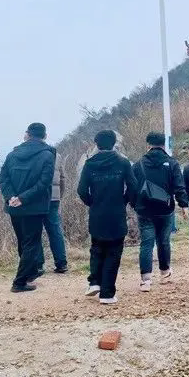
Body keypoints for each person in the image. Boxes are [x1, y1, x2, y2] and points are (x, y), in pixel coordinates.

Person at [77, 129, 136, 304]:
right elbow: (133, 186)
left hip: (97, 212)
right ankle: (107, 294)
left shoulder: (89, 164)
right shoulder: (123, 162)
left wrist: (92, 203)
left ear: (96, 144)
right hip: (116, 212)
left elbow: (81, 190)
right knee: (114, 251)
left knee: (96, 247)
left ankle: (94, 282)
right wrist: (124, 200)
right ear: (114, 143)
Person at [0, 123, 57, 293]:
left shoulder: (12, 154)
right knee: (31, 243)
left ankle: (29, 273)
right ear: (44, 136)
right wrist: (23, 199)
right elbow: (44, 183)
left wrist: (11, 197)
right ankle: (20, 282)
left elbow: (3, 179)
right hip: (34, 206)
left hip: (14, 206)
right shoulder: (47, 155)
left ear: (27, 135)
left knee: (23, 241)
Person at [133, 131, 188, 292]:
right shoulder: (172, 163)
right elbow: (179, 186)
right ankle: (164, 273)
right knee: (163, 241)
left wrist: (135, 204)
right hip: (165, 209)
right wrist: (184, 205)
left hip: (144, 210)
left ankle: (146, 280)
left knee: (146, 243)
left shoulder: (138, 164)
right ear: (164, 145)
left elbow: (132, 187)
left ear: (148, 145)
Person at [36, 161, 68, 275]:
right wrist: (59, 196)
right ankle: (61, 264)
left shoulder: (33, 153)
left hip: (37, 198)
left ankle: (38, 265)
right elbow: (62, 178)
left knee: (36, 230)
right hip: (54, 198)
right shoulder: (56, 155)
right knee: (55, 230)